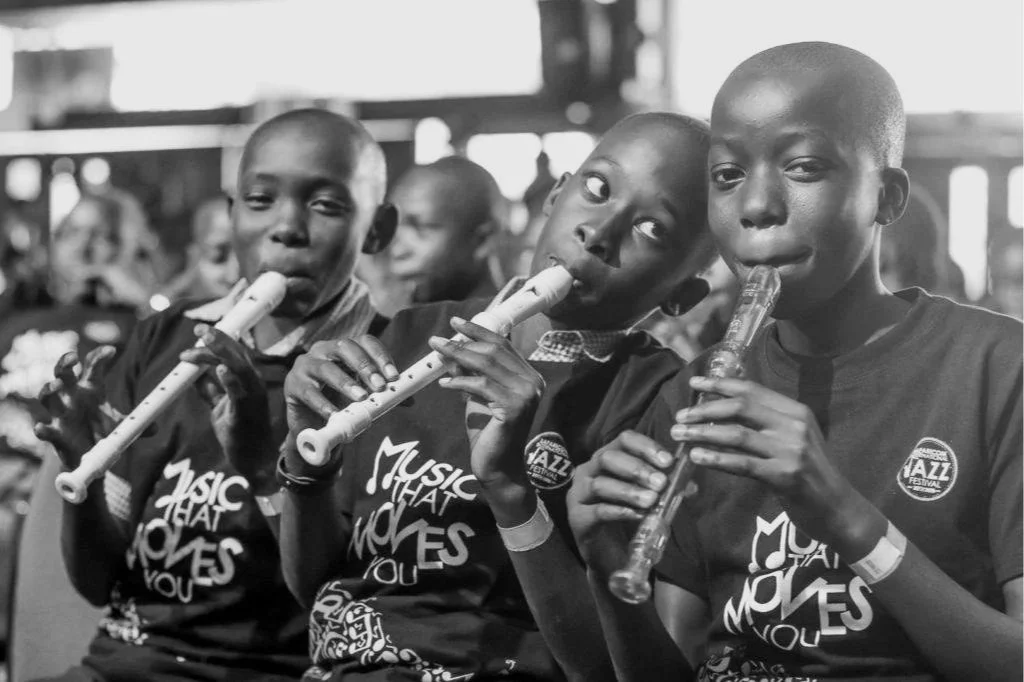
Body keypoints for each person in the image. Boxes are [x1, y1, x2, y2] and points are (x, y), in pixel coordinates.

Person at [567, 42, 1022, 682]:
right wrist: (602, 554)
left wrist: (845, 517)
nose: (756, 205)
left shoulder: (999, 368)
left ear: (886, 198)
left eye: (803, 167)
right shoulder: (691, 397)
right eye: (726, 176)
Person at [275, 112, 718, 681]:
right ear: (555, 195)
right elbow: (316, 585)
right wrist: (305, 458)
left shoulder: (660, 401)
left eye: (652, 228)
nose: (599, 232)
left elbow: (610, 668)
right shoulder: (408, 336)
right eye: (597, 190)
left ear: (684, 294)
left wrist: (512, 492)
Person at [30, 108, 397, 681]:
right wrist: (84, 473)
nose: (287, 227)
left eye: (325, 205)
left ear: (377, 228)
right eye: (259, 201)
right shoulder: (165, 337)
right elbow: (98, 583)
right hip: (122, 661)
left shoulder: (384, 368)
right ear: (230, 214)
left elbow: (339, 596)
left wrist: (262, 471)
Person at [357, 156, 505, 317]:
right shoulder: (402, 319)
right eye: (394, 228)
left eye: (421, 228)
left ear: (483, 240)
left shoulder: (521, 334)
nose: (397, 251)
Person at [156, 195, 240, 305]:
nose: (233, 276)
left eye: (248, 257)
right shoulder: (172, 312)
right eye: (219, 255)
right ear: (195, 254)